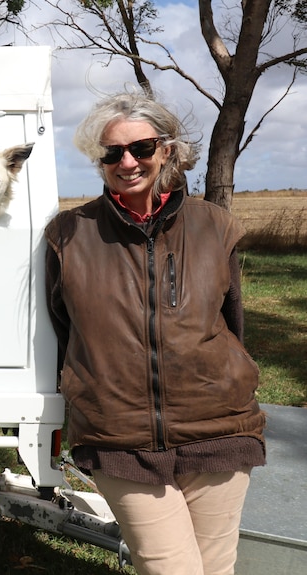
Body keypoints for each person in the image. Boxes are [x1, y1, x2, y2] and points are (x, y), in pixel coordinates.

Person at [44, 92, 266, 575]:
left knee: (215, 568)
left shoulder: (215, 226)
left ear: (166, 150)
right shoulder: (67, 234)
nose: (127, 162)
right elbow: (64, 330)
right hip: (118, 437)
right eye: (111, 153)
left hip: (218, 432)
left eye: (141, 148)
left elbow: (232, 325)